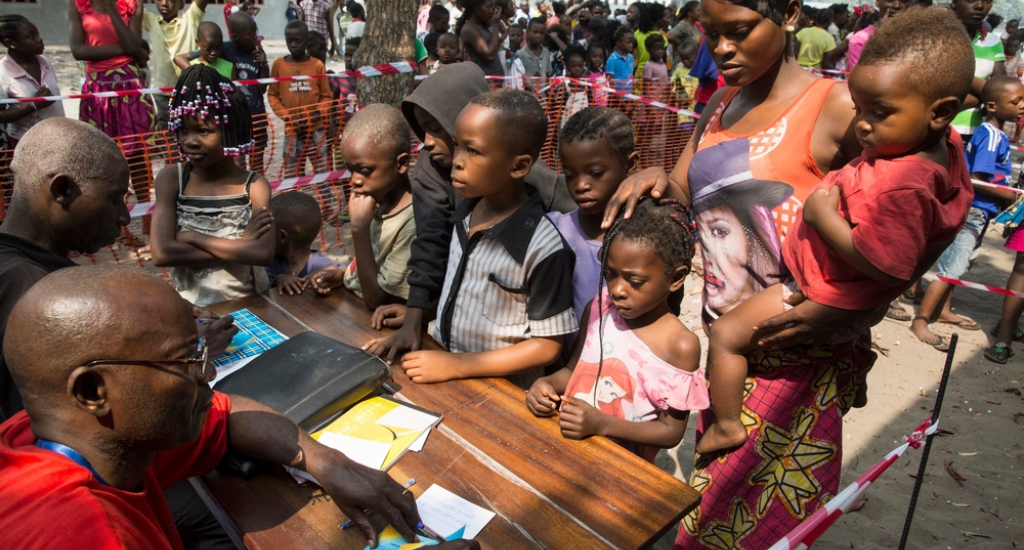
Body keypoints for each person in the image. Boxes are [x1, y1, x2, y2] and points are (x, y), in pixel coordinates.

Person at [604, 0, 895, 542]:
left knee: (759, 523)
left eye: (738, 31)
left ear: (787, 13)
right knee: (711, 509)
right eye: (711, 33)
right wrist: (652, 178)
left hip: (796, 356)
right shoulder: (722, 102)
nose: (721, 49)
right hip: (726, 352)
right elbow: (684, 189)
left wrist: (856, 308)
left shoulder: (836, 109)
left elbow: (899, 223)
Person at [0, 265, 481, 550]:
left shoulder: (68, 436)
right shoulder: (86, 535)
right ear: (91, 391)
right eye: (186, 360)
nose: (207, 374)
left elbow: (228, 414)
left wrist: (325, 460)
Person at [701, 7, 975, 453]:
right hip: (798, 301)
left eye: (739, 30)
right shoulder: (924, 146)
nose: (862, 122)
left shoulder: (899, 176)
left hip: (808, 302)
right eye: (710, 33)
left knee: (726, 339)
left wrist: (820, 218)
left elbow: (892, 264)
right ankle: (855, 370)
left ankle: (728, 424)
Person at [364, 63, 575, 363]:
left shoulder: (540, 225)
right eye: (422, 128)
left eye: (437, 129)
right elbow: (433, 245)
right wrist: (419, 312)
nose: (426, 141)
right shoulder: (461, 205)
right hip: (451, 353)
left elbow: (549, 340)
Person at [527, 197, 708, 460]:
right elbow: (572, 371)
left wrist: (601, 424)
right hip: (566, 451)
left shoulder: (681, 345)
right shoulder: (601, 307)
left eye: (635, 281)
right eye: (611, 273)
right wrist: (545, 384)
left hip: (622, 469)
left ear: (676, 278)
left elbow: (670, 431)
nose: (618, 290)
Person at [151, 65, 274, 307]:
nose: (189, 141)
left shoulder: (254, 187)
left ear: (230, 132)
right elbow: (162, 253)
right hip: (194, 307)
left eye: (203, 131)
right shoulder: (171, 180)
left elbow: (262, 254)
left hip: (251, 304)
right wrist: (240, 246)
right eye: (183, 130)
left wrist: (192, 237)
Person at [308, 105, 417, 310]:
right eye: (351, 170)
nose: (355, 181)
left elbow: (378, 301)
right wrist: (345, 275)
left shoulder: (411, 223)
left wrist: (359, 228)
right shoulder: (378, 200)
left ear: (401, 163)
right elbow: (372, 262)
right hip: (352, 307)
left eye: (365, 171)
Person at [546, 107, 638, 337]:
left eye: (595, 173)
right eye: (570, 174)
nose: (581, 185)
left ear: (630, 165)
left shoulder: (645, 238)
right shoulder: (555, 231)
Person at [69, 0, 155, 194]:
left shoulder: (133, 4)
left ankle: (147, 220)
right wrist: (128, 50)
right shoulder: (77, 4)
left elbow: (134, 43)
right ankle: (109, 215)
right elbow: (78, 50)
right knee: (100, 156)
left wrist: (110, 9)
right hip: (97, 90)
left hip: (130, 87)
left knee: (137, 156)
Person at [269, 20, 333, 178]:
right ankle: (294, 202)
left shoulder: (317, 65)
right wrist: (288, 117)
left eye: (297, 41)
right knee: (292, 175)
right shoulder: (279, 65)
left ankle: (324, 202)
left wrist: (317, 113)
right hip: (292, 130)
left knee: (322, 173)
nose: (293, 45)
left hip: (316, 129)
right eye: (289, 40)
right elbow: (273, 96)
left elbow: (326, 96)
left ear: (306, 41)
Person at [142, 0, 209, 131]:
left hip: (188, 92)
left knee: (190, 130)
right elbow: (134, 6)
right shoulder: (151, 22)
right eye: (160, 0)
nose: (165, 3)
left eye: (171, 1)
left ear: (181, 5)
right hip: (161, 94)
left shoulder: (190, 19)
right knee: (165, 134)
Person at [0, 15, 64, 151]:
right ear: (10, 43)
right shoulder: (2, 72)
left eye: (37, 34)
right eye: (30, 36)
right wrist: (33, 105)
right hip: (26, 145)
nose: (39, 40)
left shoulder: (45, 61)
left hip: (58, 138)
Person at [263, 191, 341, 296]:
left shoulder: (320, 265)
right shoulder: (271, 261)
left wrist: (338, 273)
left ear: (282, 237)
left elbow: (344, 273)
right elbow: (265, 292)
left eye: (268, 230)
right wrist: (278, 280)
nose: (264, 235)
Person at [951, 0, 1006, 139]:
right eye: (971, 0)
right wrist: (982, 97)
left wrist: (962, 76)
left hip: (973, 134)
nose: (980, 6)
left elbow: (1001, 92)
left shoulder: (992, 41)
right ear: (954, 2)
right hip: (936, 133)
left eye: (987, 1)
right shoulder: (936, 37)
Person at [223, 12, 269, 173]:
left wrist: (264, 65)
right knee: (238, 164)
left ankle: (258, 194)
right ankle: (242, 195)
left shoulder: (257, 52)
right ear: (235, 36)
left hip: (257, 117)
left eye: (255, 31)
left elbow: (262, 89)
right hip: (235, 120)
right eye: (250, 33)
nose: (255, 36)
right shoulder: (223, 50)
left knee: (257, 163)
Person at [456, 0, 508, 77]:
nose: (492, 11)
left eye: (493, 7)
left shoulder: (484, 24)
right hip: (484, 82)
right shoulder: (468, 29)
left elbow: (501, 36)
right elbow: (489, 55)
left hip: (496, 81)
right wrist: (496, 24)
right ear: (476, 7)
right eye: (489, 7)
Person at [518, 17, 552, 84]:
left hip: (543, 93)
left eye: (542, 33)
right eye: (535, 32)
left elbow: (548, 74)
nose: (538, 35)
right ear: (527, 31)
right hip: (527, 93)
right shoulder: (521, 54)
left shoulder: (546, 52)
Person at [605, 26, 635, 91]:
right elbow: (611, 83)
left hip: (629, 97)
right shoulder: (612, 60)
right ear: (618, 43)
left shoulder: (631, 58)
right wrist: (620, 99)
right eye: (628, 43)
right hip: (616, 99)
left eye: (632, 42)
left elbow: (631, 77)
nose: (631, 45)